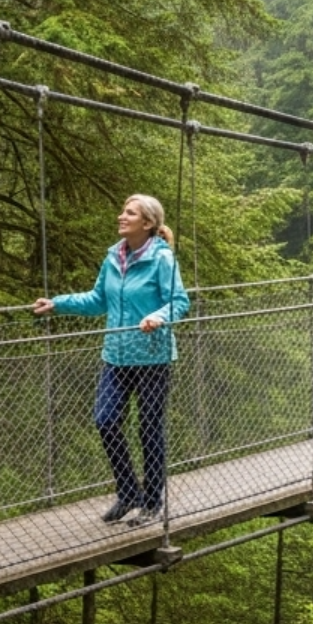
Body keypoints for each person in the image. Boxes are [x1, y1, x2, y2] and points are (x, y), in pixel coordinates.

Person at [33, 195, 188, 526]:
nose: (121, 216)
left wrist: (159, 317)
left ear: (147, 224)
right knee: (105, 420)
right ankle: (128, 491)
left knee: (149, 428)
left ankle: (151, 502)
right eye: (123, 211)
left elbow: (179, 302)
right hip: (116, 355)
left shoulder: (162, 259)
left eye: (129, 213)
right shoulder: (113, 256)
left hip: (152, 355)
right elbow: (97, 300)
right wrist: (57, 304)